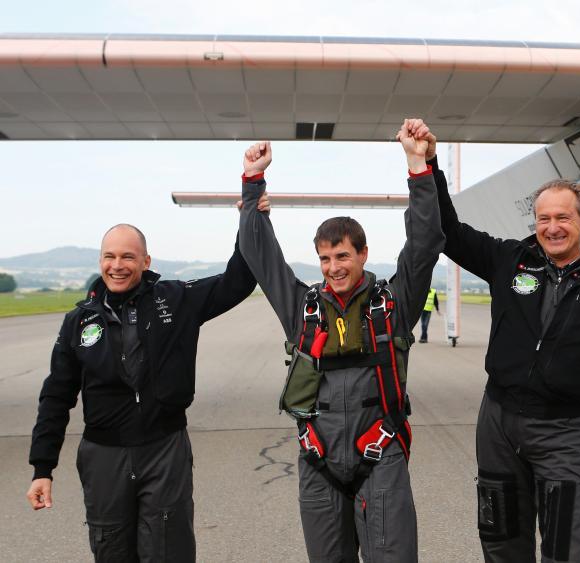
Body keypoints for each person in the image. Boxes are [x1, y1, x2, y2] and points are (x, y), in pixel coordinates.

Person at [420, 124, 580, 562]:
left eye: (563, 217)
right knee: (502, 541)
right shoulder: (509, 260)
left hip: (564, 432)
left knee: (568, 550)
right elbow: (446, 229)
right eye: (543, 218)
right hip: (499, 425)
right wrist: (429, 164)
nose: (552, 227)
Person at [237, 119, 443, 562]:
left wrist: (417, 167)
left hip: (380, 452)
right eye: (326, 258)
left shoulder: (393, 304)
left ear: (363, 254)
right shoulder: (303, 310)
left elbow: (425, 243)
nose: (334, 267)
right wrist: (253, 183)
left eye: (343, 255)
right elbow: (261, 256)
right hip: (319, 457)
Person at [26, 223, 256, 561]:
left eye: (127, 257)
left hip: (164, 448)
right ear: (100, 260)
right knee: (111, 549)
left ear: (146, 261)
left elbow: (238, 281)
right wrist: (42, 468)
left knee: (169, 549)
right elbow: (56, 396)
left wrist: (251, 209)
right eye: (110, 257)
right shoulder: (78, 321)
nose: (117, 265)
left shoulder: (176, 299)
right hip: (104, 455)